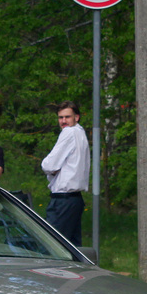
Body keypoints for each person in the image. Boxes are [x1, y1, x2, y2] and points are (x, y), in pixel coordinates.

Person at [40, 101, 89, 246]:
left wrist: (52, 168)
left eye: (67, 117)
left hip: (63, 200)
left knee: (52, 245)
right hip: (75, 200)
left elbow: (48, 165)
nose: (63, 121)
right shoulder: (81, 133)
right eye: (60, 117)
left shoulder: (69, 132)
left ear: (77, 117)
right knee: (73, 247)